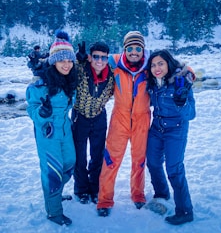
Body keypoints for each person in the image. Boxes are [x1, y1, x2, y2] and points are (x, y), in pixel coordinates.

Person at [26, 30, 77, 227]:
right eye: (61, 60)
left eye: (69, 60)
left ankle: (52, 193)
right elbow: (31, 110)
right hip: (48, 133)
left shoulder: (69, 79)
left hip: (65, 131)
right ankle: (54, 211)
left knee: (70, 164)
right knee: (53, 171)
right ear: (53, 61)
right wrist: (42, 113)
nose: (66, 64)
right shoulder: (40, 85)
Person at [97, 31, 151, 217]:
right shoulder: (115, 63)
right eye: (130, 48)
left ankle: (138, 195)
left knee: (139, 160)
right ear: (124, 49)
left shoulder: (150, 64)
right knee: (111, 159)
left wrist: (189, 75)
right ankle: (104, 199)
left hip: (142, 120)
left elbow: (178, 67)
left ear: (142, 50)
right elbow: (95, 60)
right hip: (119, 118)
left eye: (138, 48)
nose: (134, 52)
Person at [146, 49, 196, 226]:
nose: (157, 68)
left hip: (176, 129)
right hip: (157, 127)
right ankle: (161, 193)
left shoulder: (182, 82)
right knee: (152, 161)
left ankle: (185, 210)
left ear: (169, 63)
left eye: (161, 63)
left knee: (174, 168)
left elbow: (191, 114)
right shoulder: (153, 82)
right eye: (153, 65)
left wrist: (181, 102)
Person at [72, 41, 114, 204]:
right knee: (79, 156)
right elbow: (65, 71)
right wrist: (78, 61)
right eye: (96, 56)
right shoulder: (80, 69)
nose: (99, 61)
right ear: (90, 57)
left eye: (103, 57)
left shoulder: (111, 74)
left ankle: (95, 187)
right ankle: (81, 189)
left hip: (99, 117)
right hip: (79, 117)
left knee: (97, 155)